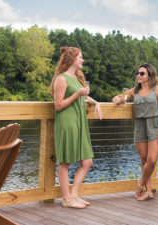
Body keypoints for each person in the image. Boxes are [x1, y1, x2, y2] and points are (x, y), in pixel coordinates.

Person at [50, 46, 102, 209]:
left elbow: (83, 94)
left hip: (79, 122)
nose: (82, 60)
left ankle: (73, 195)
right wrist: (77, 95)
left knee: (87, 162)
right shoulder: (62, 79)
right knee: (65, 162)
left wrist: (95, 102)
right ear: (72, 59)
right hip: (67, 122)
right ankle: (67, 199)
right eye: (80, 57)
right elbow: (58, 105)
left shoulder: (77, 78)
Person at [112, 63, 158, 201]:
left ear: (149, 75)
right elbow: (118, 97)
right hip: (139, 126)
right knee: (143, 160)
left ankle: (140, 184)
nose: (138, 75)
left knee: (152, 160)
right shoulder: (134, 91)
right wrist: (119, 99)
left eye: (142, 73)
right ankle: (148, 191)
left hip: (154, 125)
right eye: (137, 73)